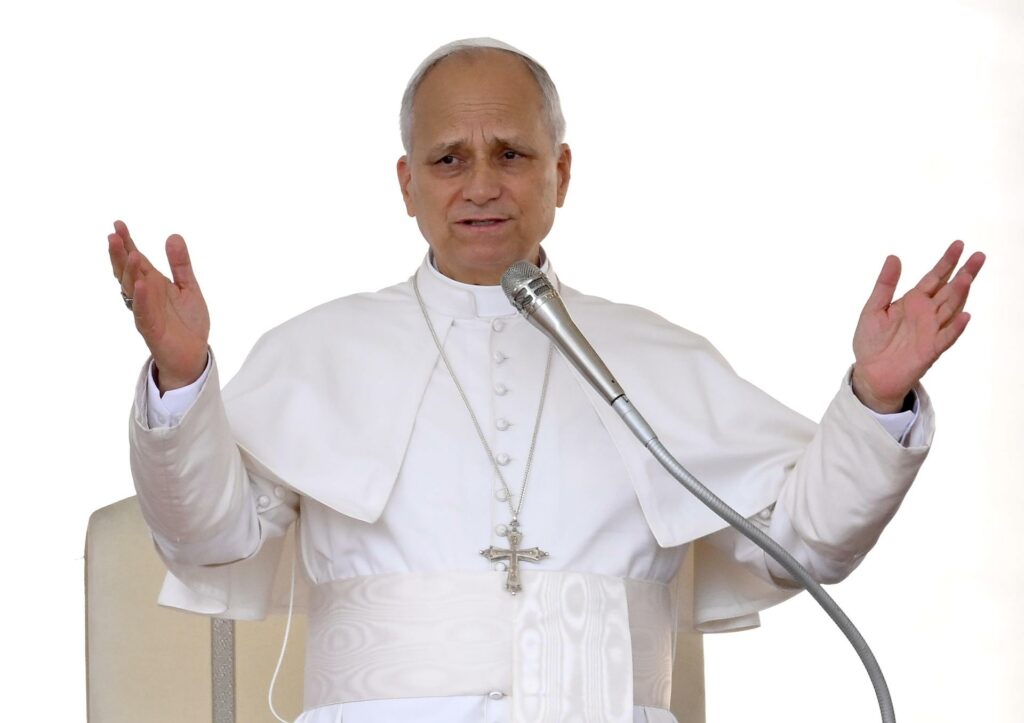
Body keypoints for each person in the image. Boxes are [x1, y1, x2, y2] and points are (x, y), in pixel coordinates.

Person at [108, 38, 985, 723]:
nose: (481, 184)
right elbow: (209, 540)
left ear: (560, 173)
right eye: (449, 159)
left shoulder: (654, 355)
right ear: (407, 184)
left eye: (512, 154)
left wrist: (874, 400)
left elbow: (802, 543)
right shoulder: (319, 351)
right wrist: (183, 381)